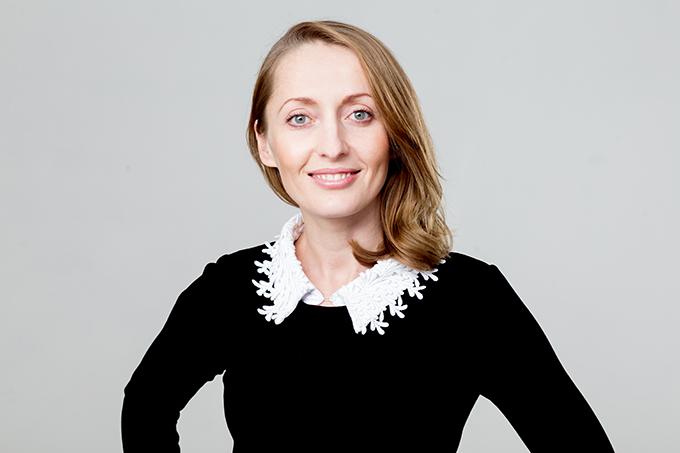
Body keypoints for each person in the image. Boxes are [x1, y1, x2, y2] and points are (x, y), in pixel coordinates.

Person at [121, 19, 615, 452]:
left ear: (394, 135)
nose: (332, 145)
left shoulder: (471, 298)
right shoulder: (230, 288)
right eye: (299, 118)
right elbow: (145, 405)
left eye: (360, 114)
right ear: (265, 142)